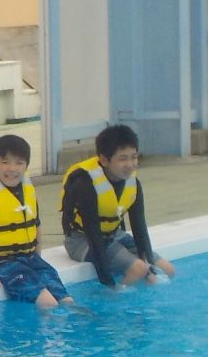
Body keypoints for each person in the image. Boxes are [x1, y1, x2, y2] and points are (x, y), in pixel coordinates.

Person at [0, 133, 74, 309]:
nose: (12, 169)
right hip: (2, 263)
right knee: (48, 302)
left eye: (19, 163)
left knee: (66, 301)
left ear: (26, 166)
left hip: (29, 259)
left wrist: (38, 260)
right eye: (5, 162)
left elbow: (35, 225)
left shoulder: (26, 188)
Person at [61, 123, 177, 288]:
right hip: (82, 240)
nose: (130, 164)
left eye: (134, 157)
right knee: (138, 269)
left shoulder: (133, 182)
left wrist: (149, 263)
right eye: (122, 158)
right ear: (104, 160)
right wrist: (108, 284)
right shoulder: (86, 184)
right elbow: (93, 234)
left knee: (167, 269)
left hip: (113, 235)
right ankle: (116, 300)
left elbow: (139, 227)